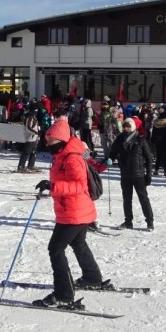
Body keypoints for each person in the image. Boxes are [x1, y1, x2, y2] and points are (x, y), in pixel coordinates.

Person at [32, 119, 104, 308]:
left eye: (51, 141)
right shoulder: (62, 155)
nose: (47, 144)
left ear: (62, 140)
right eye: (47, 141)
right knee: (78, 243)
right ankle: (92, 277)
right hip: (74, 210)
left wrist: (54, 186)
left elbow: (80, 185)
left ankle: (64, 294)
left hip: (74, 212)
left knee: (55, 249)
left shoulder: (71, 158)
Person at [108, 118, 154, 230]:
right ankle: (128, 221)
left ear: (132, 127)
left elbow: (149, 158)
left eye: (128, 127)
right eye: (124, 126)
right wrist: (109, 159)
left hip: (138, 174)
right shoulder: (119, 139)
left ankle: (150, 222)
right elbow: (112, 153)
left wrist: (148, 174)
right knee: (127, 199)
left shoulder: (140, 140)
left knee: (143, 198)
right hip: (125, 175)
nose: (126, 129)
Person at [150, 106, 166, 177]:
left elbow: (154, 133)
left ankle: (156, 170)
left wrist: (153, 140)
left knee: (159, 156)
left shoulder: (156, 122)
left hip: (158, 141)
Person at [17, 103, 40, 172]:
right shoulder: (30, 117)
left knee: (33, 152)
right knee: (26, 152)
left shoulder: (33, 117)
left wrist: (37, 133)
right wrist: (36, 133)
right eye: (36, 109)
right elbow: (28, 128)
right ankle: (21, 166)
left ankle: (31, 165)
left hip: (34, 137)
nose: (37, 111)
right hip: (30, 137)